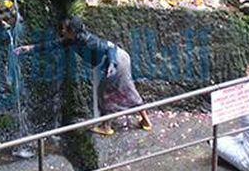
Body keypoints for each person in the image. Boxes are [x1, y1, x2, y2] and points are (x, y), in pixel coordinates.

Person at [15, 17, 151, 136]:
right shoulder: (73, 40)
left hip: (116, 61)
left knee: (106, 94)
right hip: (115, 61)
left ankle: (106, 127)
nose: (62, 32)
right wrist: (30, 48)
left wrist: (112, 65)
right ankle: (145, 120)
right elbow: (53, 44)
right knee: (126, 90)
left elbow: (111, 48)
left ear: (72, 31)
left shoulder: (87, 40)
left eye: (64, 29)